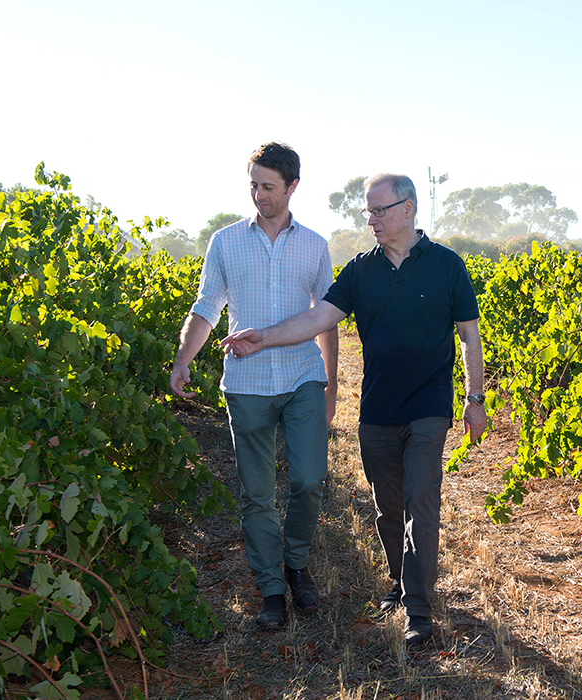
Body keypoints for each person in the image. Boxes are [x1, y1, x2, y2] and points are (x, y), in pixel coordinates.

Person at [219, 173, 486, 647]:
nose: (371, 220)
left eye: (380, 210)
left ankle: (419, 613)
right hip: (377, 410)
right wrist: (264, 337)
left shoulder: (448, 266)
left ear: (407, 209)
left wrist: (474, 399)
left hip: (429, 407)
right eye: (368, 211)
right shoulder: (361, 270)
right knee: (388, 507)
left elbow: (469, 337)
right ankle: (398, 584)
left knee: (420, 503)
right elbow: (318, 318)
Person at [170, 142, 338, 630]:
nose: (258, 195)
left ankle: (297, 564)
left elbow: (325, 319)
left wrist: (331, 385)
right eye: (253, 185)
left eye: (268, 186)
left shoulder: (314, 246)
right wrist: (183, 360)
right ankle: (271, 588)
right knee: (257, 493)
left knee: (308, 480)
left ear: (292, 187)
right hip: (245, 385)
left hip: (303, 377)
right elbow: (206, 308)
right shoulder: (224, 242)